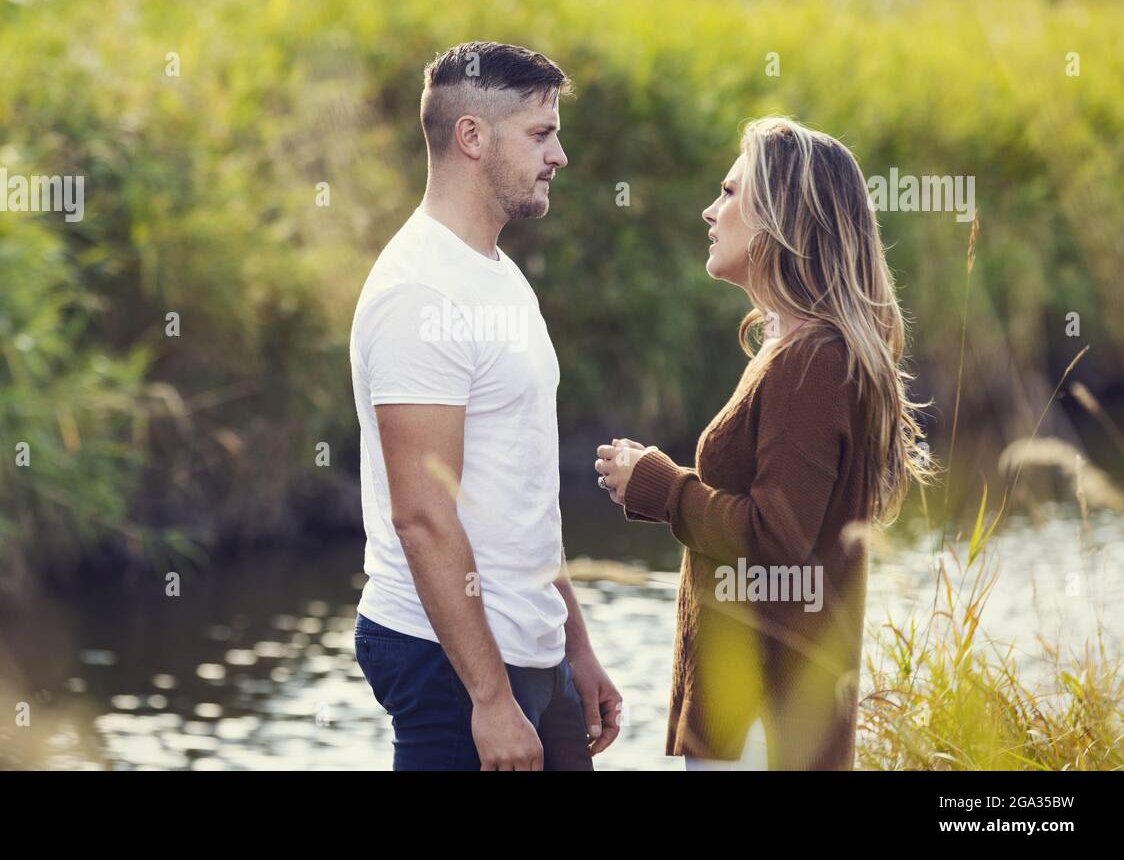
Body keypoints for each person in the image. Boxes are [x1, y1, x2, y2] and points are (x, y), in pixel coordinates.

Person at [595, 116, 935, 770]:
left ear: (780, 217)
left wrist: (662, 487)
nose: (709, 210)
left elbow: (777, 535)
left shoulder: (810, 361)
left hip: (762, 731)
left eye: (728, 192)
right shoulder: (799, 349)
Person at [350, 41, 621, 770]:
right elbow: (423, 515)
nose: (558, 155)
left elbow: (522, 490)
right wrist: (492, 700)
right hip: (449, 664)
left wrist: (575, 647)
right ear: (471, 136)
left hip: (530, 650)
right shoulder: (419, 292)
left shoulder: (499, 276)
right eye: (540, 133)